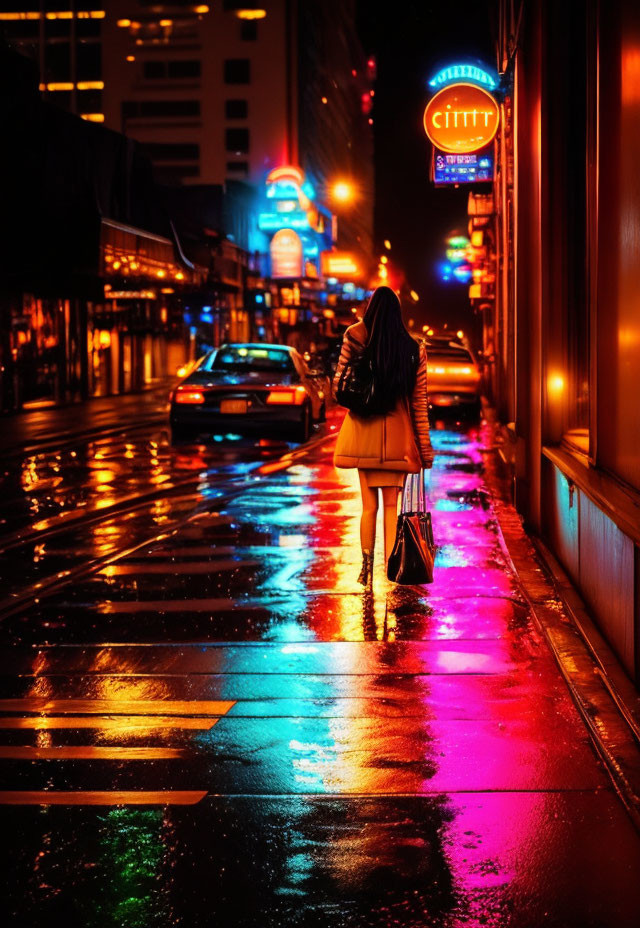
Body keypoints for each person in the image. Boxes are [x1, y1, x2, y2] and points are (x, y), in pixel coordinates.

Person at [332, 286, 434, 585]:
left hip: (363, 431)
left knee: (368, 506)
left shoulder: (355, 336)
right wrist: (424, 450)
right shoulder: (413, 349)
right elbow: (418, 406)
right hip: (398, 438)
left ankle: (366, 566)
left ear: (370, 308)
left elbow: (339, 385)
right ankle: (393, 567)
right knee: (392, 506)